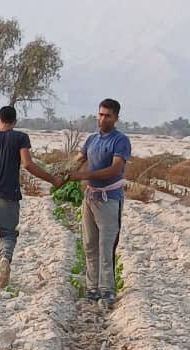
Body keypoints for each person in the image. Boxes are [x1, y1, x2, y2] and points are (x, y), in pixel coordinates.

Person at [0, 105, 64, 288]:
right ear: (15, 122)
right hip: (9, 195)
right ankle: (5, 258)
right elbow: (28, 164)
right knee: (8, 234)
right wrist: (52, 179)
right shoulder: (21, 138)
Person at [63, 98, 132, 309]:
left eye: (107, 115)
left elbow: (114, 169)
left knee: (106, 245)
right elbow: (79, 159)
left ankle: (107, 290)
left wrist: (83, 175)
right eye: (100, 114)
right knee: (89, 244)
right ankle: (92, 288)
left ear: (116, 118)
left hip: (109, 199)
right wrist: (63, 172)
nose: (103, 119)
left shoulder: (120, 141)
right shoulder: (92, 139)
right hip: (90, 198)